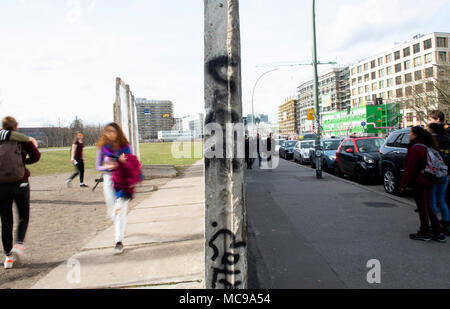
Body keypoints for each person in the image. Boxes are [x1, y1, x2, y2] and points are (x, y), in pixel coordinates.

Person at [0, 116, 41, 269]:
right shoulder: (22, 139)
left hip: (1, 185)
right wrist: (24, 163)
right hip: (21, 182)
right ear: (15, 126)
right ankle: (18, 245)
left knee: (6, 221)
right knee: (23, 215)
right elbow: (36, 156)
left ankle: (8, 257)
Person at [398, 126, 445, 242]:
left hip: (419, 181)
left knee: (422, 208)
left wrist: (402, 185)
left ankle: (424, 232)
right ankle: (438, 232)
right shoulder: (427, 146)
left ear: (415, 135)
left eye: (410, 133)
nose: (409, 135)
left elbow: (410, 169)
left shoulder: (415, 148)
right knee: (428, 206)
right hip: (430, 178)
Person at [96, 123, 133, 255]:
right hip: (108, 180)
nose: (109, 134)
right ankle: (121, 227)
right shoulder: (103, 148)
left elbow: (132, 163)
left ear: (118, 132)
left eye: (112, 131)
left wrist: (122, 163)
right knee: (113, 211)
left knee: (119, 210)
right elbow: (97, 166)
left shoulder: (126, 147)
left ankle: (118, 241)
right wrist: (107, 167)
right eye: (107, 131)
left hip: (122, 181)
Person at [427, 123, 450, 235]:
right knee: (442, 200)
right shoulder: (447, 139)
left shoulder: (431, 140)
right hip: (445, 172)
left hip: (433, 173)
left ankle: (434, 225)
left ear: (432, 130)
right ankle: (446, 224)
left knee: (432, 201)